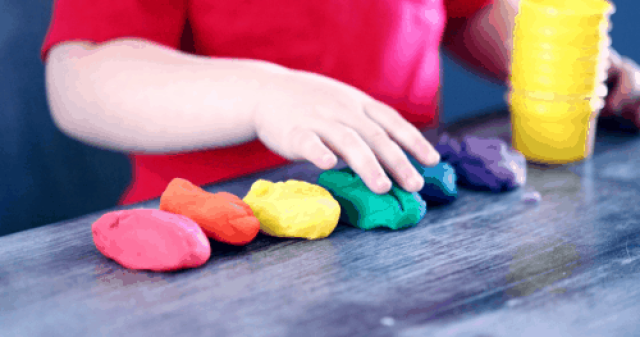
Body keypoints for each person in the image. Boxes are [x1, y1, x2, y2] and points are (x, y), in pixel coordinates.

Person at [42, 0, 640, 206]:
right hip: (218, 239)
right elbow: (83, 78)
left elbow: (470, 12)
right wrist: (263, 94)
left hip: (408, 211)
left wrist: (563, 63)